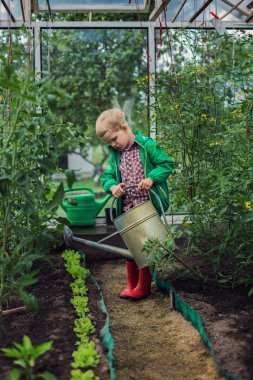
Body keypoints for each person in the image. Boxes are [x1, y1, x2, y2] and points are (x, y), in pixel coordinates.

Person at [96, 108, 174, 300]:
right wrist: (112, 186)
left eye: (114, 139)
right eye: (109, 143)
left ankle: (144, 286)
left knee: (144, 246)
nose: (113, 145)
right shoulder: (117, 155)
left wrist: (151, 179)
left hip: (146, 206)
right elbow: (107, 177)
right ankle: (132, 284)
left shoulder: (146, 146)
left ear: (124, 128)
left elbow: (167, 164)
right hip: (128, 208)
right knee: (130, 246)